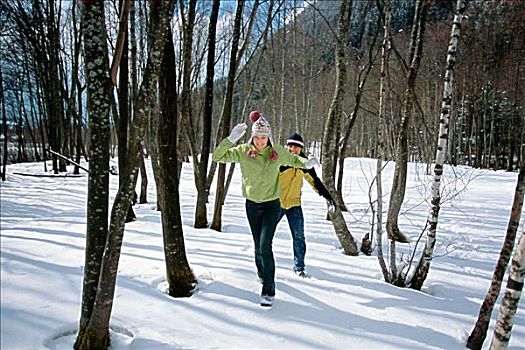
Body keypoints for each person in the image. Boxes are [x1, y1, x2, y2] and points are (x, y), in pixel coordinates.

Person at [212, 111, 318, 307]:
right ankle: (262, 272)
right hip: (252, 206)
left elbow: (294, 160)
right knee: (257, 244)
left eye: (264, 137)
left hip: (272, 205)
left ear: (269, 137)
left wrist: (307, 163)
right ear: (252, 137)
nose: (261, 141)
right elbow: (218, 157)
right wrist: (230, 139)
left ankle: (268, 290)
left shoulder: (276, 152)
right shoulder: (243, 151)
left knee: (265, 246)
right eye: (258, 137)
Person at [279, 132, 336, 277]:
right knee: (265, 235)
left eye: (297, 147)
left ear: (301, 149)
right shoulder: (280, 159)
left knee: (299, 237)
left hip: (294, 204)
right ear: (287, 147)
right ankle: (263, 265)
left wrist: (327, 197)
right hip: (276, 203)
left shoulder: (305, 163)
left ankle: (299, 268)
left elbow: (315, 181)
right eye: (291, 146)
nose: (294, 149)